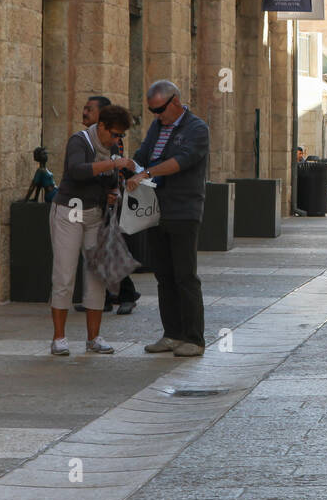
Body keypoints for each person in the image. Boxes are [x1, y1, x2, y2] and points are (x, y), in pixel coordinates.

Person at [128, 80, 210, 358]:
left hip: (183, 210)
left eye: (160, 110)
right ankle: (172, 334)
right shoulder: (157, 127)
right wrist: (131, 167)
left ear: (175, 101)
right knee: (164, 275)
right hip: (156, 211)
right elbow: (144, 154)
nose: (157, 115)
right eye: (152, 111)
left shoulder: (197, 129)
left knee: (185, 275)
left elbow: (182, 160)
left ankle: (194, 338)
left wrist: (148, 173)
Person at [49, 104, 135, 355]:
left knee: (96, 276)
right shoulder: (79, 140)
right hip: (69, 211)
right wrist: (112, 164)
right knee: (64, 274)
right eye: (115, 134)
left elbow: (111, 181)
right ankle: (59, 338)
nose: (117, 139)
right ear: (102, 127)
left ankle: (94, 337)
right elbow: (77, 171)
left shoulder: (114, 148)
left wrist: (114, 191)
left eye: (121, 136)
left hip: (95, 214)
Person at [73, 94, 138, 316]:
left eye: (89, 109)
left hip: (108, 201)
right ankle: (106, 298)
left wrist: (110, 192)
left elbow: (114, 171)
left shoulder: (112, 140)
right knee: (99, 250)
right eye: (84, 108)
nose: (84, 112)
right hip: (93, 201)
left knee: (110, 248)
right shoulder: (85, 139)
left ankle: (127, 295)